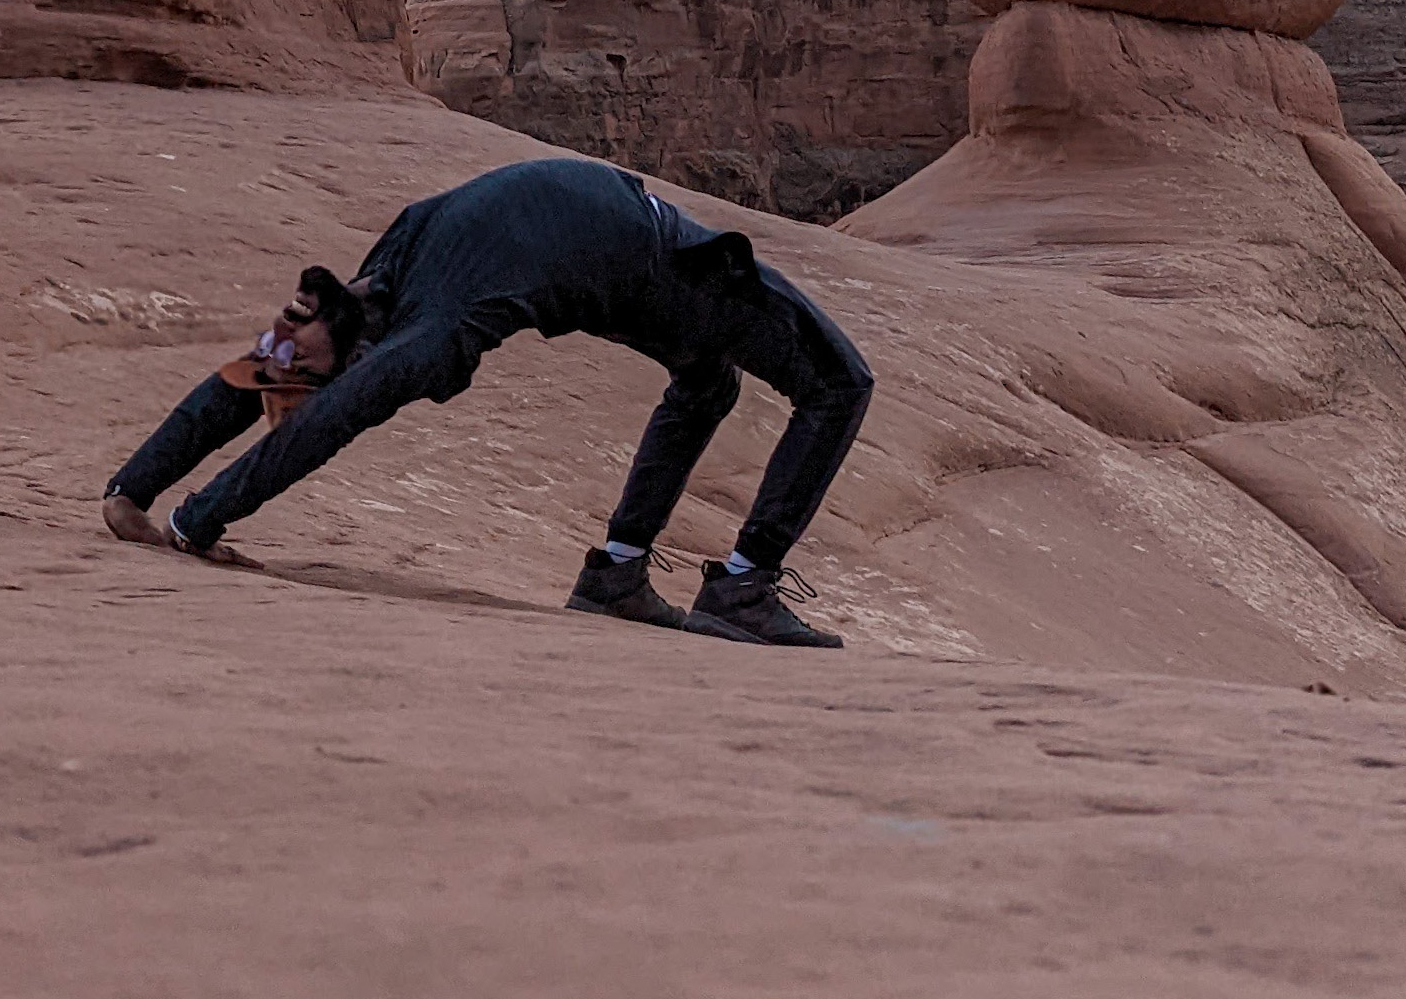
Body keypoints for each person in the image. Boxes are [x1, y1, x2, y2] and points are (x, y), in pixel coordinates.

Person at [99, 155, 874, 649]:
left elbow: (294, 381)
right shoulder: (412, 312)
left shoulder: (382, 278)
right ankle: (739, 587)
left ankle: (617, 577)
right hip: (651, 264)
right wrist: (182, 518)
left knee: (708, 381)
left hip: (651, 261)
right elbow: (324, 414)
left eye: (301, 353)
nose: (283, 358)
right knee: (838, 383)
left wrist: (146, 495)